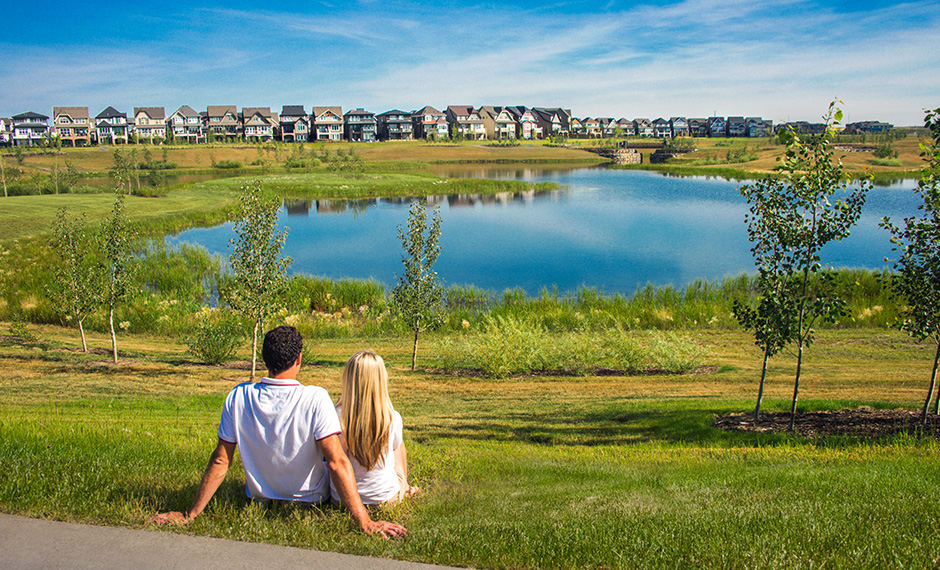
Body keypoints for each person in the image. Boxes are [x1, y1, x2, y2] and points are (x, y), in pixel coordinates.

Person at [150, 326, 406, 539]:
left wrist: (190, 514)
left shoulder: (238, 396)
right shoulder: (315, 398)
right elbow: (337, 463)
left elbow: (221, 459)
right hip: (310, 502)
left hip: (261, 501)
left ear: (264, 359)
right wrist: (365, 521)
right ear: (298, 359)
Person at [331, 350, 419, 506]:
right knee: (397, 445)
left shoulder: (335, 417)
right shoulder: (391, 418)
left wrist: (336, 406)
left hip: (342, 500)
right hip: (385, 498)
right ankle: (404, 486)